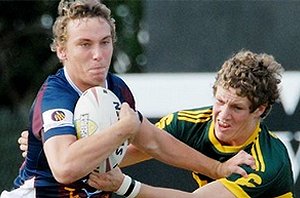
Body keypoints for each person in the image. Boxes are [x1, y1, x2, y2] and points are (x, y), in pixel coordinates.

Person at [2, 1, 255, 198]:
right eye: (85, 44)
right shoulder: (56, 95)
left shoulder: (117, 88)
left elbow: (154, 142)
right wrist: (122, 129)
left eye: (105, 42)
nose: (98, 55)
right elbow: (65, 168)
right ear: (62, 50)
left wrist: (217, 169)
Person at [87, 50, 295, 197]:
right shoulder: (187, 124)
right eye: (220, 101)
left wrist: (124, 185)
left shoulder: (267, 160)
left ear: (259, 109)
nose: (223, 115)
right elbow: (114, 158)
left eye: (237, 108)